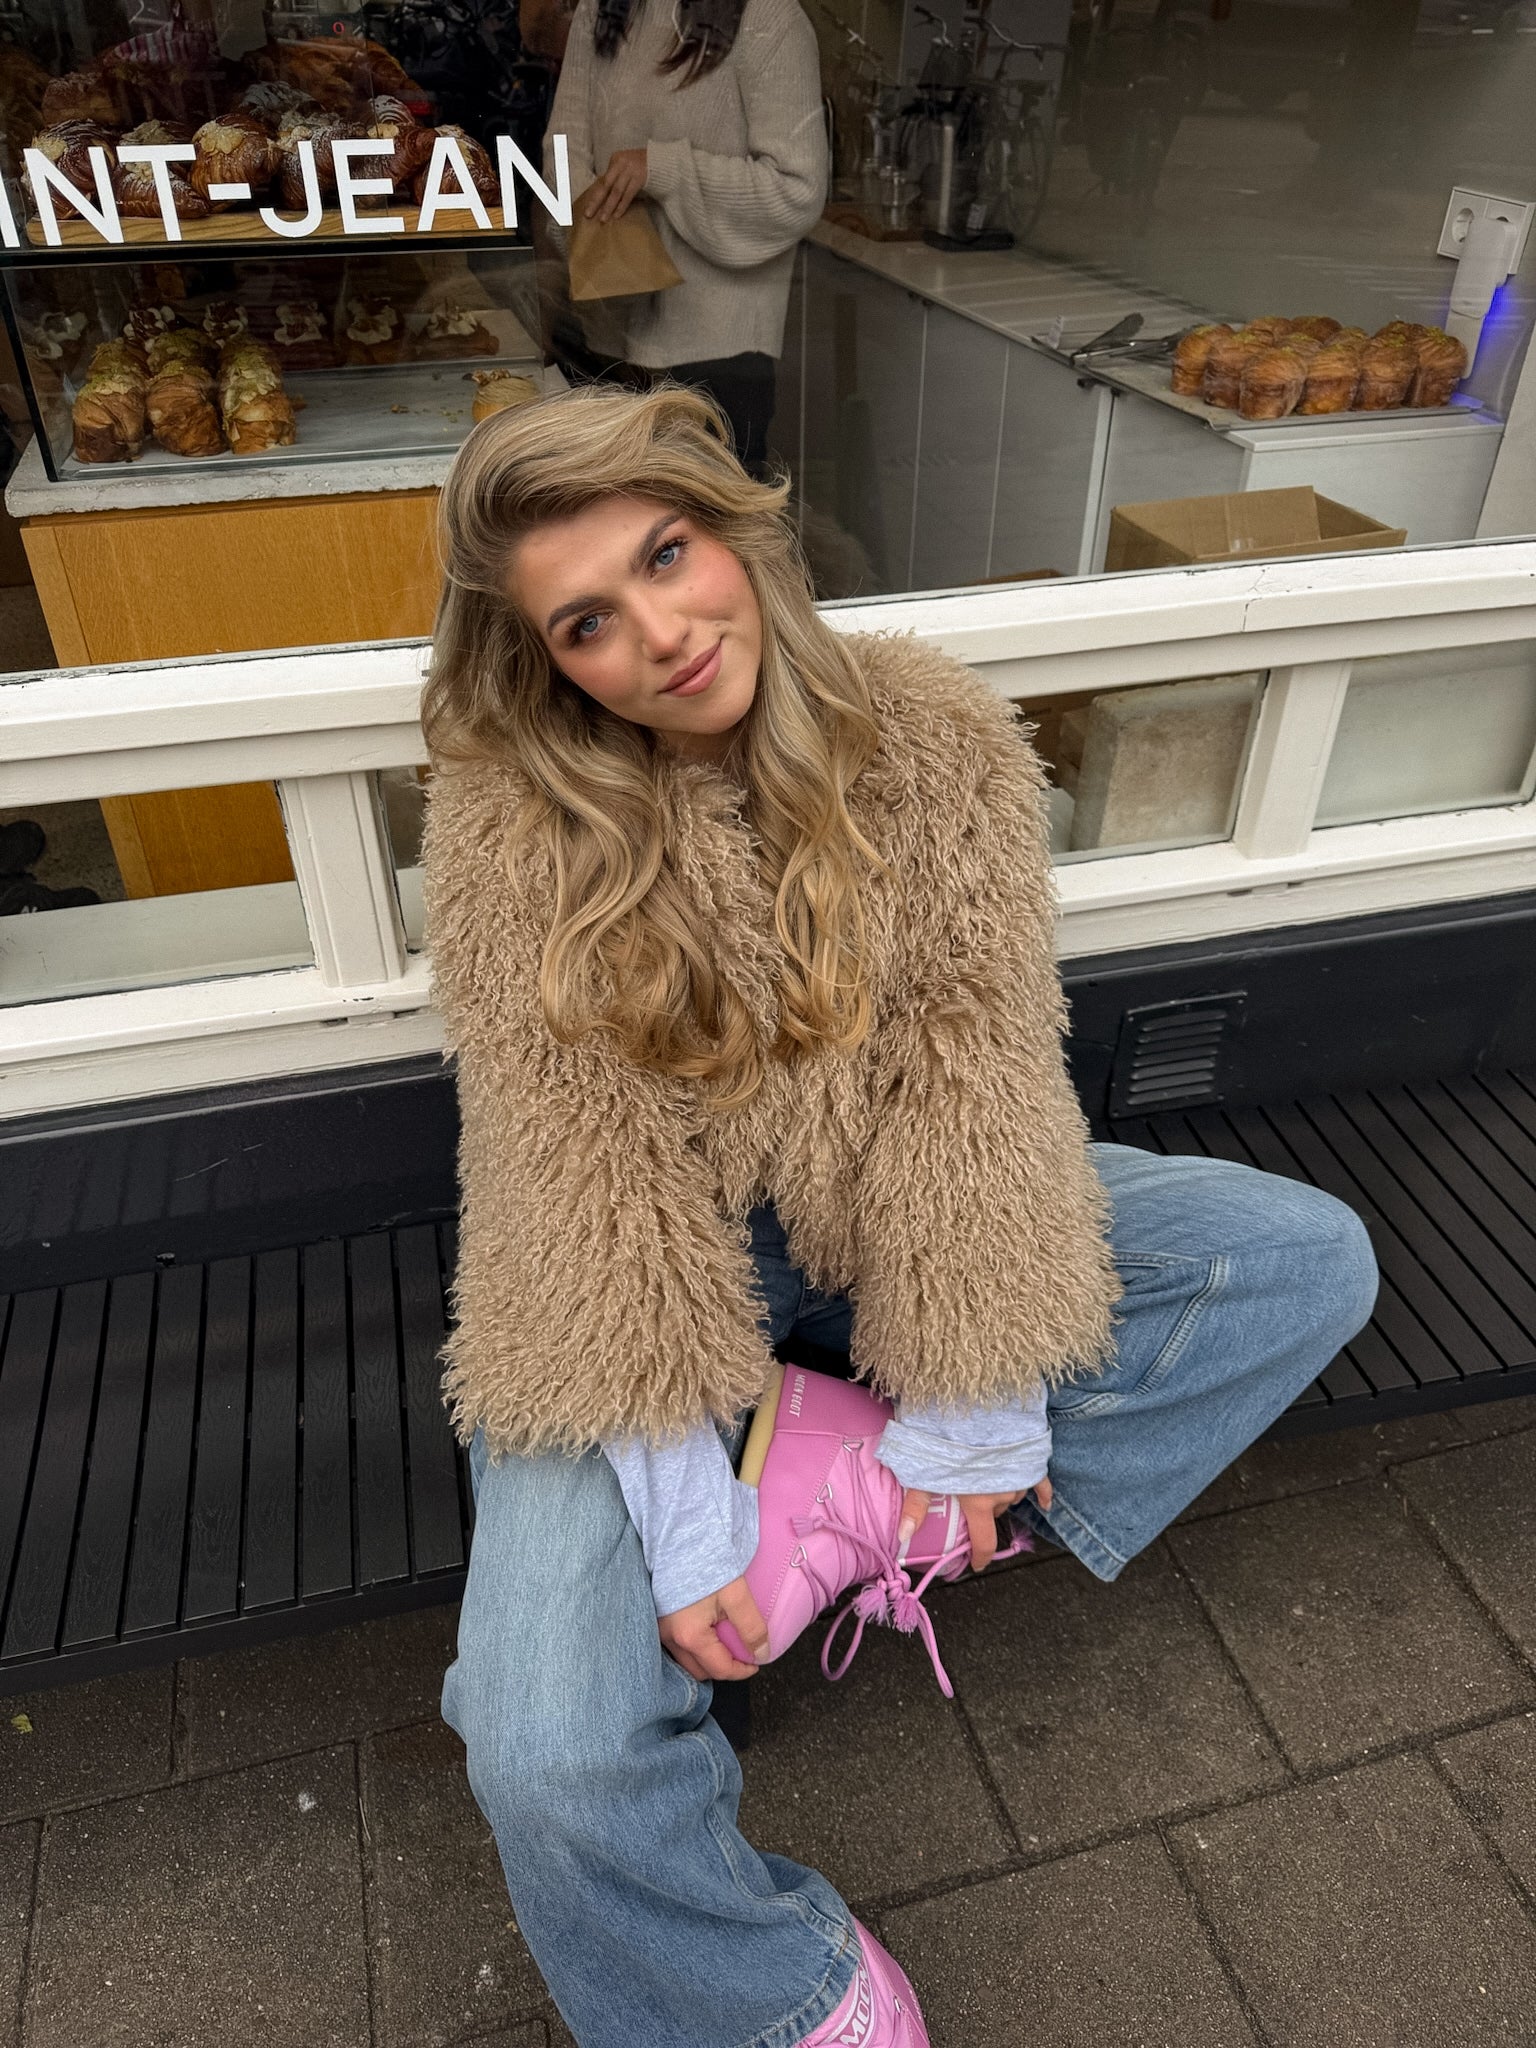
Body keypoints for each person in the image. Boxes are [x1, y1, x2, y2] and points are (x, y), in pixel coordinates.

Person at [419, 383, 1379, 2048]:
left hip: (899, 1211)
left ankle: (865, 1489)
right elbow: (569, 1178)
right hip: (637, 1287)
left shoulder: (925, 733)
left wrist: (970, 1413)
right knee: (544, 1744)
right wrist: (688, 1524)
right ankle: (770, 1994)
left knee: (1299, 1262)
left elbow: (975, 1076)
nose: (660, 632)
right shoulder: (515, 819)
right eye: (587, 620)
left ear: (736, 531)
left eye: (667, 554)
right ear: (547, 662)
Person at [539, 0, 827, 471]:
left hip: (719, 358)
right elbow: (563, 144)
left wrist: (663, 169)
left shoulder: (769, 17)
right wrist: (592, 234)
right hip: (604, 340)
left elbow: (797, 190)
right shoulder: (601, 9)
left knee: (717, 515)